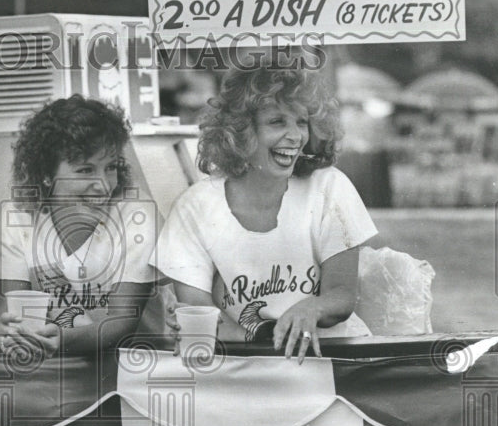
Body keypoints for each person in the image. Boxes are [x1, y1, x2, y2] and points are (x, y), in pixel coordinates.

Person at [155, 63, 377, 362]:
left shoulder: (329, 186)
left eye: (301, 122)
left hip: (330, 360)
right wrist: (189, 319)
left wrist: (312, 307)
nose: (295, 136)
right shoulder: (196, 206)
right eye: (277, 122)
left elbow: (341, 295)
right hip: (242, 365)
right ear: (241, 131)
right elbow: (197, 307)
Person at [0, 94, 161, 357]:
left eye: (111, 167)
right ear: (46, 174)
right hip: (62, 370)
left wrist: (61, 340)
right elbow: (7, 314)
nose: (103, 184)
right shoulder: (18, 215)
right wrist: (6, 336)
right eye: (85, 170)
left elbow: (122, 322)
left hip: (135, 367)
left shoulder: (137, 215)